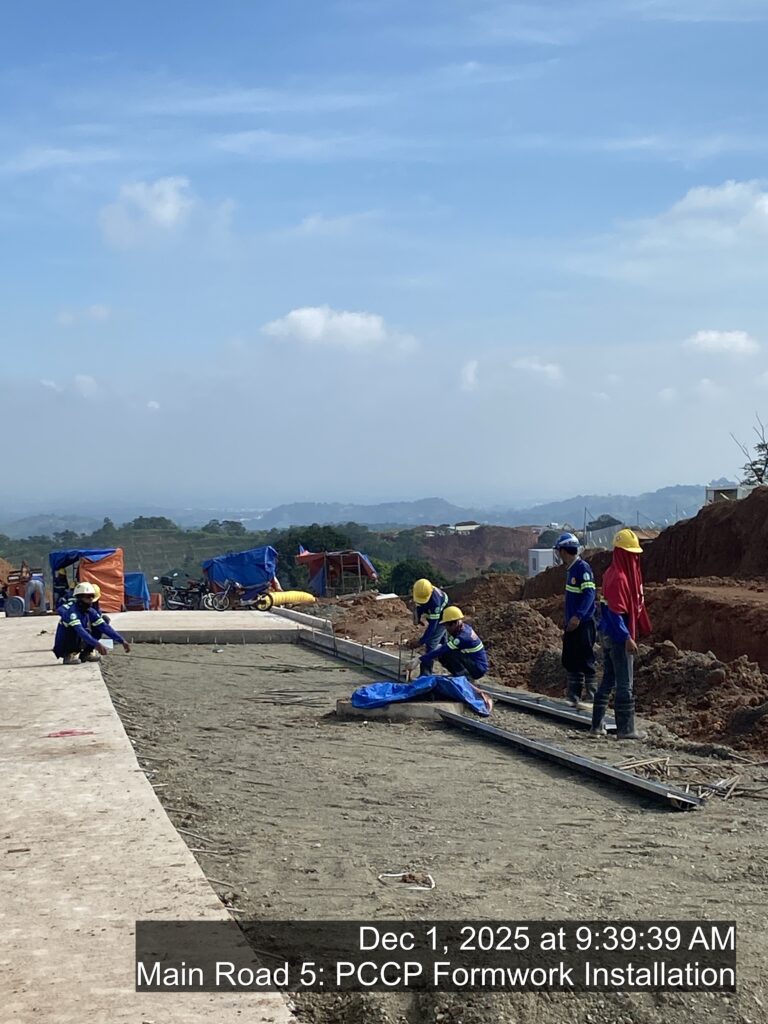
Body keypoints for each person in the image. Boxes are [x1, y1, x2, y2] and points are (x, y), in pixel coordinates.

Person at [590, 529, 651, 740]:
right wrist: (627, 638)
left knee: (608, 679)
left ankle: (596, 725)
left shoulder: (610, 573)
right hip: (617, 636)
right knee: (625, 682)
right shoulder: (620, 578)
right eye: (632, 554)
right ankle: (626, 729)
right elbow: (616, 613)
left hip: (608, 633)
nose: (635, 559)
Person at [553, 532, 597, 708]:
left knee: (585, 658)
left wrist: (578, 616)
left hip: (583, 622)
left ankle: (591, 697)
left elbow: (589, 594)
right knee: (570, 658)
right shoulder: (571, 569)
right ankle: (573, 696)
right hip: (571, 623)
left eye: (558, 551)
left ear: (564, 551)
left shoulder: (582, 568)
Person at [53, 582, 130, 665]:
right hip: (64, 644)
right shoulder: (72, 612)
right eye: (88, 596)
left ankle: (86, 653)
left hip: (80, 639)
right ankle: (69, 655)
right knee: (74, 630)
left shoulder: (90, 611)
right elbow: (80, 631)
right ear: (79, 597)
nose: (91, 599)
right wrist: (96, 644)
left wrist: (121, 640)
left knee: (100, 624)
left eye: (92, 596)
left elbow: (104, 627)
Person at [419, 605, 489, 681]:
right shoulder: (460, 628)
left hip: (478, 668)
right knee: (444, 654)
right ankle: (458, 674)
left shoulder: (463, 637)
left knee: (447, 653)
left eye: (447, 626)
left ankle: (464, 676)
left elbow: (443, 649)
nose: (446, 628)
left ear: (454, 623)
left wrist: (419, 659)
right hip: (473, 663)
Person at [409, 578, 449, 656]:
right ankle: (446, 654)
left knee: (431, 642)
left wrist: (421, 642)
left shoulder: (435, 603)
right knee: (442, 638)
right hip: (432, 611)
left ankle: (428, 662)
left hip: (443, 617)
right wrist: (418, 618)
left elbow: (432, 626)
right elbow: (420, 606)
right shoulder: (421, 592)